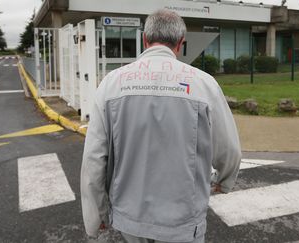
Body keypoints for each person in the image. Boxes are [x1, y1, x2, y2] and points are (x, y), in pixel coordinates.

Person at [81, 9, 241, 243]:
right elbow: (230, 150)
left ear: (145, 40)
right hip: (183, 222)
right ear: (180, 43)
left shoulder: (111, 84)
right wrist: (223, 181)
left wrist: (97, 214)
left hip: (130, 218)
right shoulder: (204, 85)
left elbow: (94, 159)